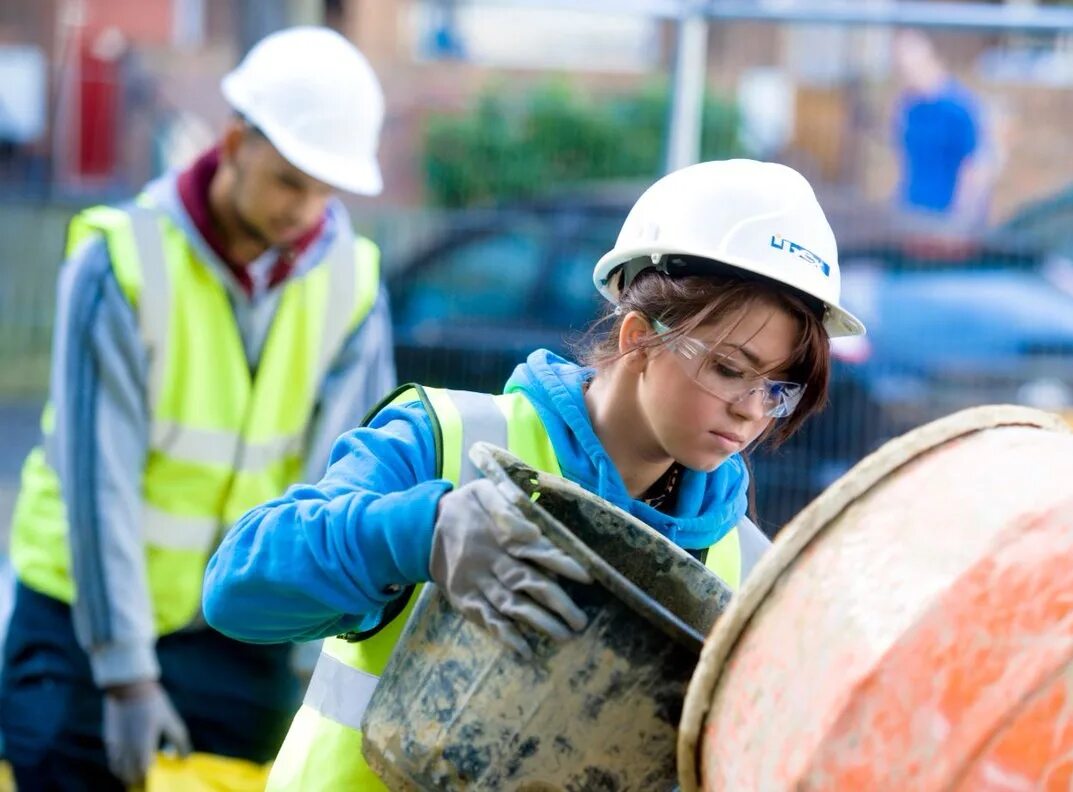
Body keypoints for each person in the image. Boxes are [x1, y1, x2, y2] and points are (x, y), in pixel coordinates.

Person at [202, 158, 867, 790]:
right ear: (637, 338)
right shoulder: (449, 445)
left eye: (778, 389)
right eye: (728, 368)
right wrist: (418, 535)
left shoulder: (743, 575)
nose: (751, 411)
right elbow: (236, 588)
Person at [0, 26, 395, 790]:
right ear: (236, 140)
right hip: (80, 617)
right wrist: (125, 679)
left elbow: (340, 486)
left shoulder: (351, 285)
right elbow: (99, 485)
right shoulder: (120, 263)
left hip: (234, 616)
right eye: (288, 180)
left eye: (325, 190)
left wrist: (315, 663)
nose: (304, 210)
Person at [891, 29, 998, 231]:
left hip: (946, 219)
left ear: (931, 57)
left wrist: (962, 219)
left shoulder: (960, 107)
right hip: (911, 214)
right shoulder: (908, 107)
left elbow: (978, 165)